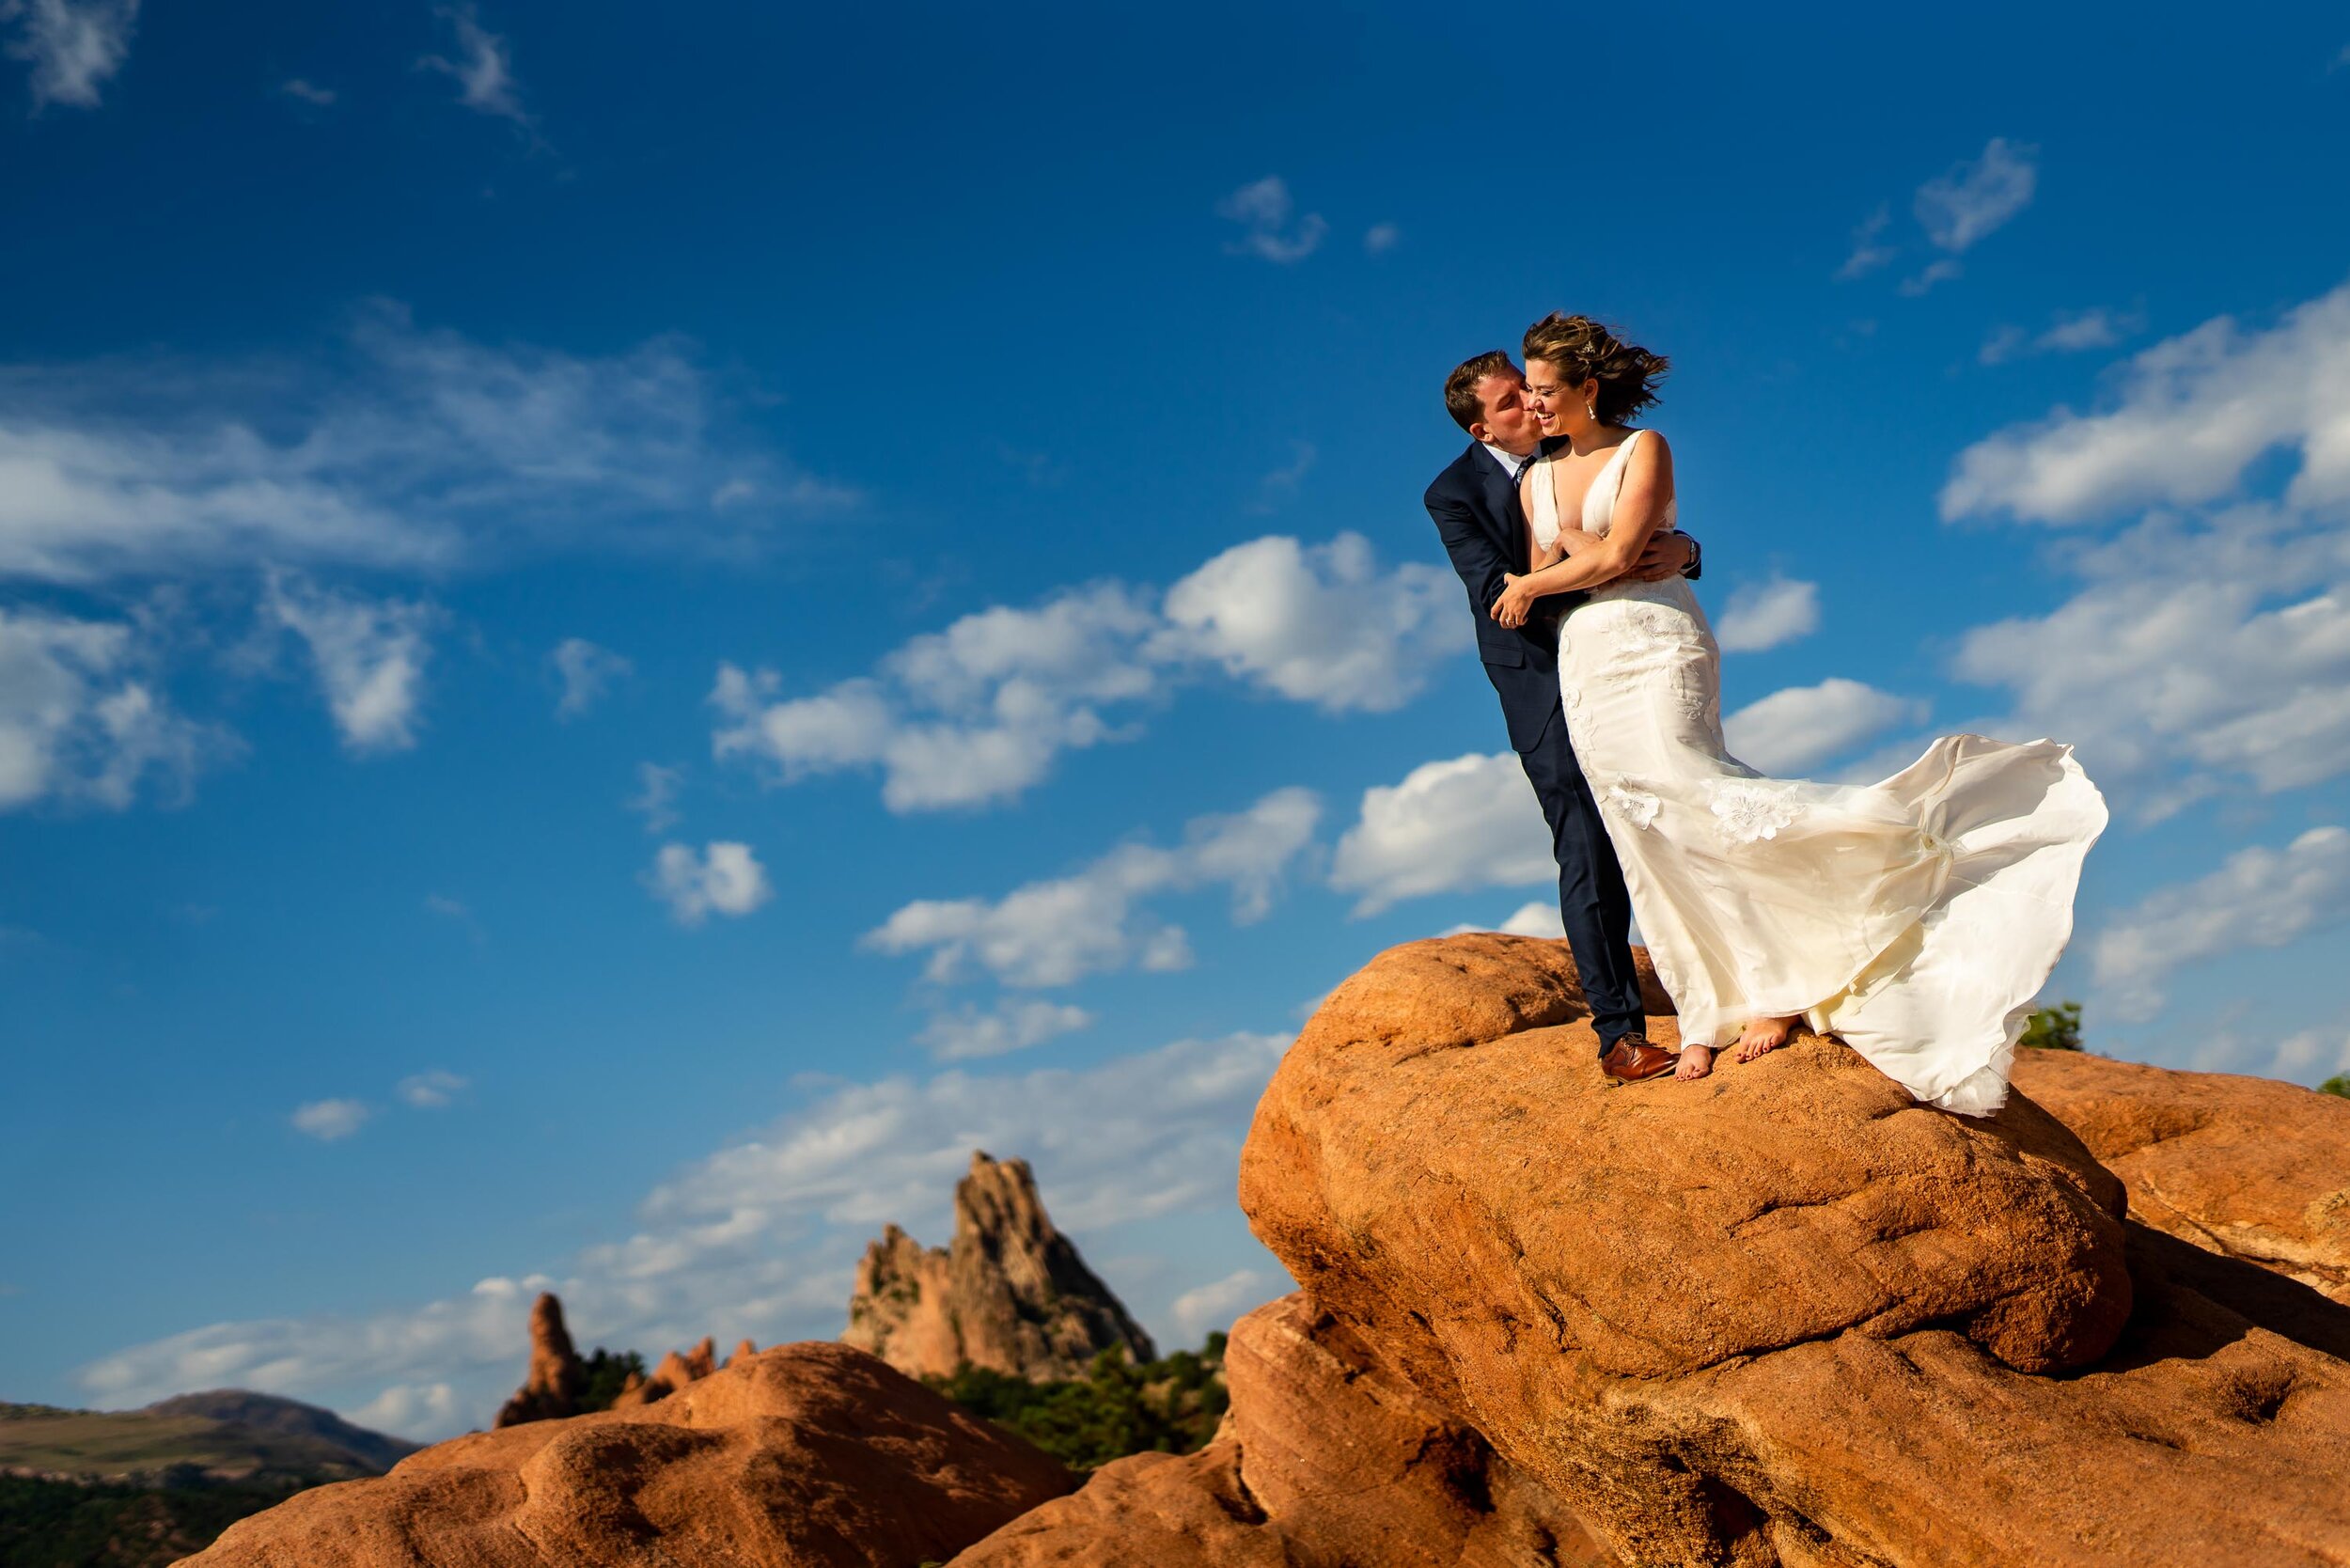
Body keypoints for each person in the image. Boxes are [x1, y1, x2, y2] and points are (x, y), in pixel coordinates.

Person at [1489, 313, 2107, 1113]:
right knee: (1642, 829)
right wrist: (1555, 569)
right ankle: (1710, 1007)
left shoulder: (1644, 448)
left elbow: (1609, 558)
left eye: (1543, 391)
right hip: (1587, 658)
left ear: (1587, 387)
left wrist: (1542, 579)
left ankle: (1792, 968)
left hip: (1655, 640)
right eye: (1529, 395)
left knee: (1694, 792)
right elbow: (1562, 565)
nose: (1534, 407)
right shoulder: (1535, 478)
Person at [1425, 352, 1701, 1083]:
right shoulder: (1451, 492)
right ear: (1483, 426)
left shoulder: (1576, 447)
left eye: (1533, 390)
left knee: (1679, 801)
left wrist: (1684, 549)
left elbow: (1640, 523)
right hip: (1540, 675)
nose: (1533, 405)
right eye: (1513, 402)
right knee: (1584, 839)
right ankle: (1619, 1036)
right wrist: (1606, 558)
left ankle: (1722, 989)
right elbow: (1499, 590)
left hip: (1625, 653)